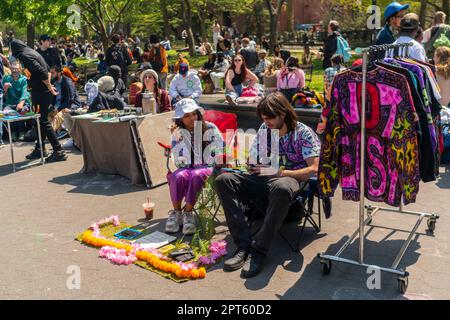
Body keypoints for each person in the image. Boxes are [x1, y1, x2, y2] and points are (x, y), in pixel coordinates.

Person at [215, 92, 321, 278]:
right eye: (263, 118)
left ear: (283, 113)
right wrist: (253, 163)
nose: (266, 121)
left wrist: (279, 172)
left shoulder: (303, 133)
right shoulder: (266, 129)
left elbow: (314, 168)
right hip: (265, 177)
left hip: (290, 179)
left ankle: (259, 250)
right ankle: (243, 244)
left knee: (281, 186)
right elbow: (255, 157)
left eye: (270, 117)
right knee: (224, 180)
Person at [165, 98, 224, 235]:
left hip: (207, 165)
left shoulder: (210, 128)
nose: (192, 118)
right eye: (187, 116)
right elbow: (178, 161)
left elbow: (220, 150)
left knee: (196, 175)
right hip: (187, 166)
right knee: (177, 176)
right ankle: (177, 212)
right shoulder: (178, 133)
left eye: (194, 114)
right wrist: (180, 142)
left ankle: (188, 212)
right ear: (180, 119)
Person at [11, 39, 67, 162]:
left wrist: (49, 87)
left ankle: (58, 150)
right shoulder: (31, 52)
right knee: (38, 121)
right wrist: (50, 86)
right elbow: (47, 70)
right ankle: (39, 148)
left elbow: (42, 73)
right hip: (39, 92)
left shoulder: (26, 56)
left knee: (43, 121)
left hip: (41, 94)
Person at [2, 62, 32, 141]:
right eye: (13, 68)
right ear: (10, 69)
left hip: (23, 103)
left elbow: (25, 93)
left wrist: (21, 103)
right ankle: (13, 132)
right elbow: (3, 95)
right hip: (10, 103)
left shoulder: (24, 79)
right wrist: (5, 89)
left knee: (21, 110)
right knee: (6, 111)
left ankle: (21, 132)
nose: (15, 70)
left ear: (20, 69)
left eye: (16, 68)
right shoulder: (6, 78)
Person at [48, 65, 81, 136]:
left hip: (70, 106)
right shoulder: (54, 82)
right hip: (58, 106)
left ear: (59, 73)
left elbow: (70, 100)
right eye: (50, 73)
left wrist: (58, 109)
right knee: (47, 114)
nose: (51, 75)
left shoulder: (67, 82)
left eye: (53, 73)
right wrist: (51, 107)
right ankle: (58, 131)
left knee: (58, 115)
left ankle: (50, 135)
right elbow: (53, 99)